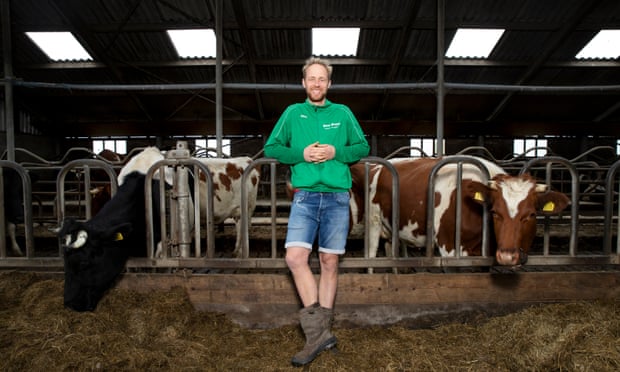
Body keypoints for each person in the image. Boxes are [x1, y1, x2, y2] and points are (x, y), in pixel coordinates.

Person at [264, 57, 370, 366]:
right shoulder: (293, 113)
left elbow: (361, 147)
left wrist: (338, 152)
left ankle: (319, 335)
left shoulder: (343, 113)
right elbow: (272, 147)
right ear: (303, 83)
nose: (316, 84)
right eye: (311, 78)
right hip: (305, 197)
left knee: (329, 261)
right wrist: (301, 154)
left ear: (329, 84)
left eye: (322, 79)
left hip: (337, 197)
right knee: (295, 258)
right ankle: (318, 334)